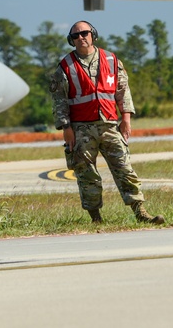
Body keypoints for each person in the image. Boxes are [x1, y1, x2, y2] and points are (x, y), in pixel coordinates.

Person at [49, 20, 165, 225]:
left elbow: (123, 90)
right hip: (81, 129)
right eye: (75, 35)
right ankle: (96, 219)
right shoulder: (65, 66)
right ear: (71, 40)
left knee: (125, 169)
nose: (81, 37)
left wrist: (126, 118)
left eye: (84, 33)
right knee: (87, 175)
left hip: (110, 126)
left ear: (93, 34)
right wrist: (66, 128)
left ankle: (141, 213)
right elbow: (59, 101)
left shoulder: (111, 60)